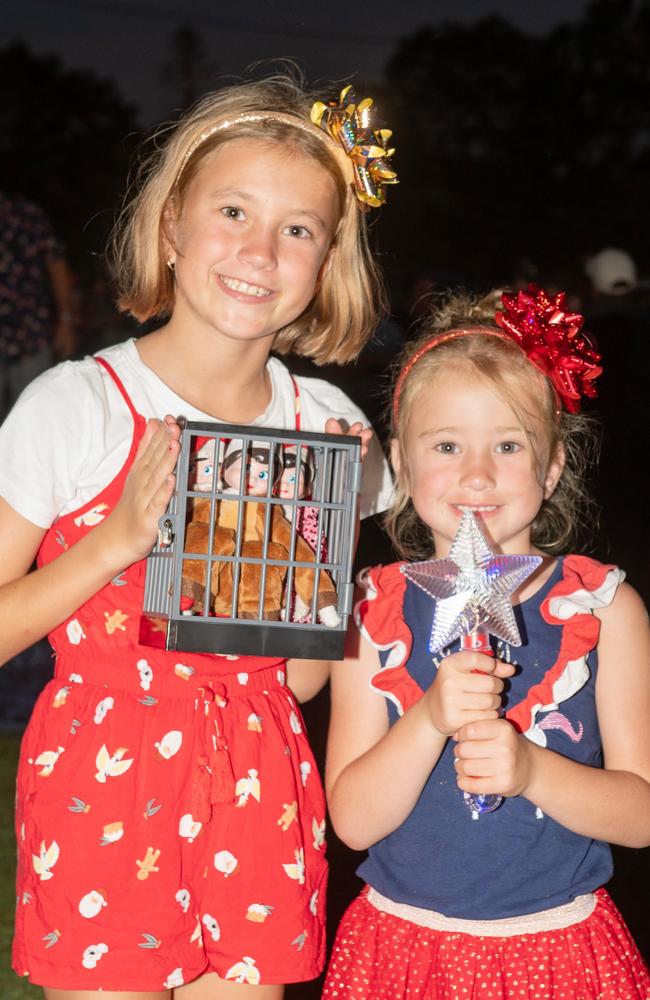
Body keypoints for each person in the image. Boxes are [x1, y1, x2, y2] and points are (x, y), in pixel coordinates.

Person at [0, 75, 396, 998]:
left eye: (298, 228)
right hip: (107, 784)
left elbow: (294, 681)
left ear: (327, 260)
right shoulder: (79, 405)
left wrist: (320, 552)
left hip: (259, 781)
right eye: (232, 210)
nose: (260, 250)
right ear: (172, 226)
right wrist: (113, 544)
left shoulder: (326, 424)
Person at [322, 286, 650, 999]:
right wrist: (431, 718)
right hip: (404, 953)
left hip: (559, 952)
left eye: (507, 445)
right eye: (446, 446)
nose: (476, 474)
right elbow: (351, 821)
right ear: (403, 466)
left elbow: (640, 814)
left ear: (553, 464)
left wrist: (533, 771)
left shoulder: (607, 610)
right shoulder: (372, 611)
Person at [0, 190, 76, 420]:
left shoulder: (22, 214)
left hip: (29, 337)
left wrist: (66, 321)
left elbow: (57, 265)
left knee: (35, 417)